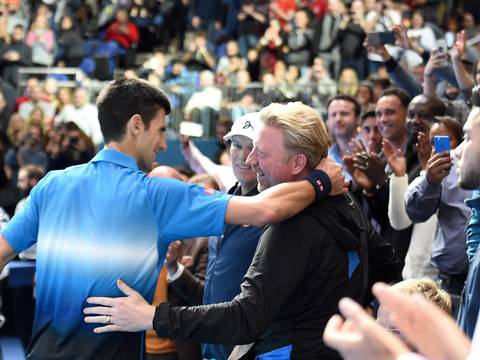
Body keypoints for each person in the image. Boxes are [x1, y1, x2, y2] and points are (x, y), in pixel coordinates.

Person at [0, 79, 346, 360]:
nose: (163, 144)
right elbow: (264, 210)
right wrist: (322, 180)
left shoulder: (52, 184)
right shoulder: (157, 195)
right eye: (160, 130)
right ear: (136, 125)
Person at [84, 102, 400, 359]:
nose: (249, 159)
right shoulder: (343, 201)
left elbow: (245, 318)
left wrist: (152, 317)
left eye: (260, 152)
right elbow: (388, 266)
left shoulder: (292, 226)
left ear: (297, 162)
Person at [170, 113, 262, 360]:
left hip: (247, 348)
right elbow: (213, 290)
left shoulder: (273, 209)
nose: (243, 155)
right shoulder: (223, 203)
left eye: (252, 147)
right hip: (212, 346)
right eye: (237, 145)